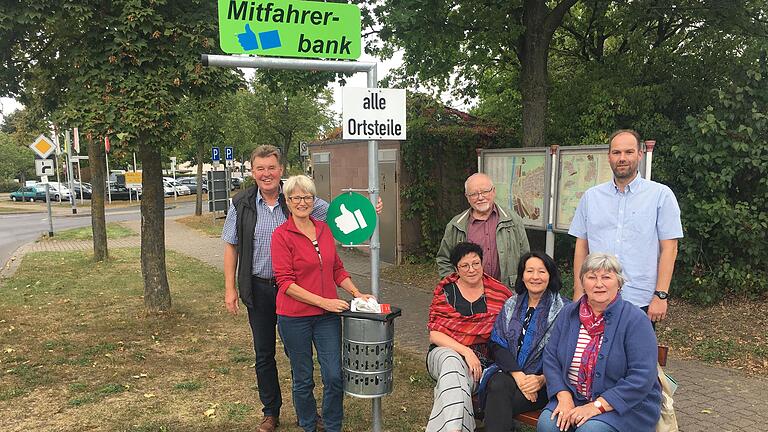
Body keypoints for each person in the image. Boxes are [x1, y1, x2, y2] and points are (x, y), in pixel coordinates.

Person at [221, 145, 381, 432]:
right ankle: (271, 412)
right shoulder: (241, 203)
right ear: (253, 171)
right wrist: (230, 289)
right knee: (264, 354)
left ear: (280, 170)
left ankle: (312, 417)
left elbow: (339, 216)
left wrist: (369, 209)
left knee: (305, 366)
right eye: (260, 168)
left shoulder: (301, 199)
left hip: (303, 294)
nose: (266, 173)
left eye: (271, 167)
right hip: (262, 288)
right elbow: (231, 246)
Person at [271, 175, 374, 432]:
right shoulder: (281, 236)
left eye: (307, 197)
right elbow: (285, 283)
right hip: (294, 318)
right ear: (288, 201)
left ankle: (332, 426)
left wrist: (356, 293)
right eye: (296, 197)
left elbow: (336, 269)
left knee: (334, 376)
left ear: (313, 200)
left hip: (326, 318)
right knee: (303, 378)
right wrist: (325, 302)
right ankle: (308, 425)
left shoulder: (324, 229)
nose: (302, 202)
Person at [537, 253, 660, 432]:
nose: (599, 284)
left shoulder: (635, 319)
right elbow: (551, 357)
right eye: (592, 277)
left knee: (591, 430)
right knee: (548, 424)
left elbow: (642, 376)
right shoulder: (568, 314)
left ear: (619, 283)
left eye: (606, 277)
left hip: (624, 405)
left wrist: (596, 406)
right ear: (583, 282)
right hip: (573, 395)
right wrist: (563, 397)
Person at [569, 130, 683, 323]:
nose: (622, 158)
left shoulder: (660, 195)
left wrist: (661, 295)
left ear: (640, 154)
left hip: (640, 300)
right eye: (616, 152)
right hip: (597, 299)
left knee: (636, 353)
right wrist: (579, 292)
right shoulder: (591, 197)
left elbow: (669, 248)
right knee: (592, 353)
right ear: (609, 157)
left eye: (629, 152)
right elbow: (582, 246)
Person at [427, 242, 513, 432]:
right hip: (443, 353)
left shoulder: (500, 293)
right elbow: (435, 334)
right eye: (465, 266)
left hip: (481, 364)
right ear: (456, 269)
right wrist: (466, 351)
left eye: (476, 264)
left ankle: (453, 429)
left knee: (455, 383)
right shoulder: (446, 292)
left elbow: (509, 332)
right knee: (451, 361)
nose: (472, 269)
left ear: (483, 264)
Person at [481, 252, 569, 432]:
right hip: (511, 375)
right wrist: (518, 375)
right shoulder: (511, 304)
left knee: (496, 399)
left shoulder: (564, 310)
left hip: (546, 384)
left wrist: (541, 379)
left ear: (550, 275)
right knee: (498, 384)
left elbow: (567, 354)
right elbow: (497, 344)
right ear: (522, 275)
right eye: (530, 271)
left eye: (541, 272)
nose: (535, 277)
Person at [437, 173, 530, 290]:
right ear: (467, 196)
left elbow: (525, 258)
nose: (480, 197)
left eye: (485, 191)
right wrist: (455, 287)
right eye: (474, 194)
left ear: (493, 191)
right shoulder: (456, 225)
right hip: (469, 295)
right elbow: (444, 259)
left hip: (507, 293)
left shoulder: (513, 220)